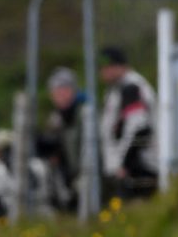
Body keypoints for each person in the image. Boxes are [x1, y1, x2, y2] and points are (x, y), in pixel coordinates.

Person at [97, 46, 158, 198]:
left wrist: (125, 165)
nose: (104, 71)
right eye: (101, 67)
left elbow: (141, 129)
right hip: (129, 167)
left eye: (108, 66)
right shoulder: (115, 89)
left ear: (121, 66)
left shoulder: (131, 88)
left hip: (141, 167)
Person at [39, 67, 86, 213]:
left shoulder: (84, 113)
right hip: (67, 177)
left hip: (84, 174)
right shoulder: (55, 118)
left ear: (74, 90)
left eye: (64, 89)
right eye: (56, 91)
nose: (60, 95)